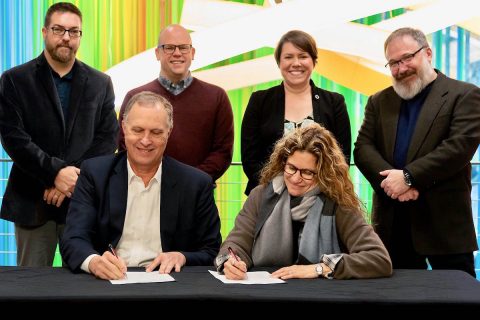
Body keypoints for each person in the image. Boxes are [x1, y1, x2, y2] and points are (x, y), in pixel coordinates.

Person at [353, 27, 480, 277]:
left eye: (407, 58)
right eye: (393, 63)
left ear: (428, 53)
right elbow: (363, 148)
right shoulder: (379, 101)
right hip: (393, 226)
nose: (401, 69)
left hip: (445, 226)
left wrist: (408, 177)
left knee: (457, 301)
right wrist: (392, 183)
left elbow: (458, 148)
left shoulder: (464, 94)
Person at [0, 2, 118, 267]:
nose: (66, 37)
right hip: (32, 200)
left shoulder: (101, 83)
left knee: (84, 286)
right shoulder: (14, 80)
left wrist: (71, 178)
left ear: (80, 36)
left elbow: (107, 138)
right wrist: (55, 173)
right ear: (44, 32)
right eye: (58, 29)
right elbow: (14, 138)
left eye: (73, 31)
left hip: (82, 202)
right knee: (31, 286)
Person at [60, 91, 222, 280]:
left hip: (170, 285)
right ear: (124, 128)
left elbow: (212, 251)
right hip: (107, 283)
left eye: (156, 132)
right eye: (138, 130)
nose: (145, 141)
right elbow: (73, 239)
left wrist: (182, 256)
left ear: (168, 133)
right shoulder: (95, 174)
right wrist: (94, 262)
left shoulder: (196, 184)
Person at [216, 123, 392, 280]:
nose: (295, 178)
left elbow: (378, 258)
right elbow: (237, 242)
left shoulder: (338, 203)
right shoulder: (261, 196)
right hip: (266, 295)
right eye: (291, 168)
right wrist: (231, 262)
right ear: (282, 162)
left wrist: (320, 268)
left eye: (307, 172)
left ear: (324, 174)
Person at [117, 24, 234, 184]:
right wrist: (156, 180)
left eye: (183, 48)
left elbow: (223, 152)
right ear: (157, 53)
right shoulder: (135, 97)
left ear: (192, 53)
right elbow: (125, 145)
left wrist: (191, 182)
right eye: (169, 48)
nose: (177, 53)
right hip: (146, 189)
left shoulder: (217, 97)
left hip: (197, 195)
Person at [241, 30, 351, 196]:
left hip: (321, 198)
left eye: (303, 56)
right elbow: (250, 158)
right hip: (267, 196)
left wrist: (313, 188)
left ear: (313, 61)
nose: (296, 63)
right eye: (288, 57)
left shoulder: (335, 102)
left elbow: (342, 157)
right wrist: (278, 190)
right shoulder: (260, 100)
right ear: (279, 62)